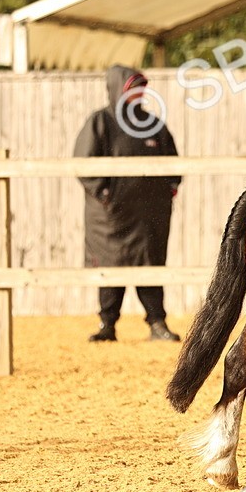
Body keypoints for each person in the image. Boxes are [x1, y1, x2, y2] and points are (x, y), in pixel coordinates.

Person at [73, 65, 182, 342]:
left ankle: (157, 323)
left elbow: (174, 163)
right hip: (110, 217)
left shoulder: (153, 124)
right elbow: (83, 163)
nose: (140, 92)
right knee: (111, 266)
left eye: (142, 86)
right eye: (134, 86)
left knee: (150, 266)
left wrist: (170, 187)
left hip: (149, 217)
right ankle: (107, 325)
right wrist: (105, 194)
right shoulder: (101, 122)